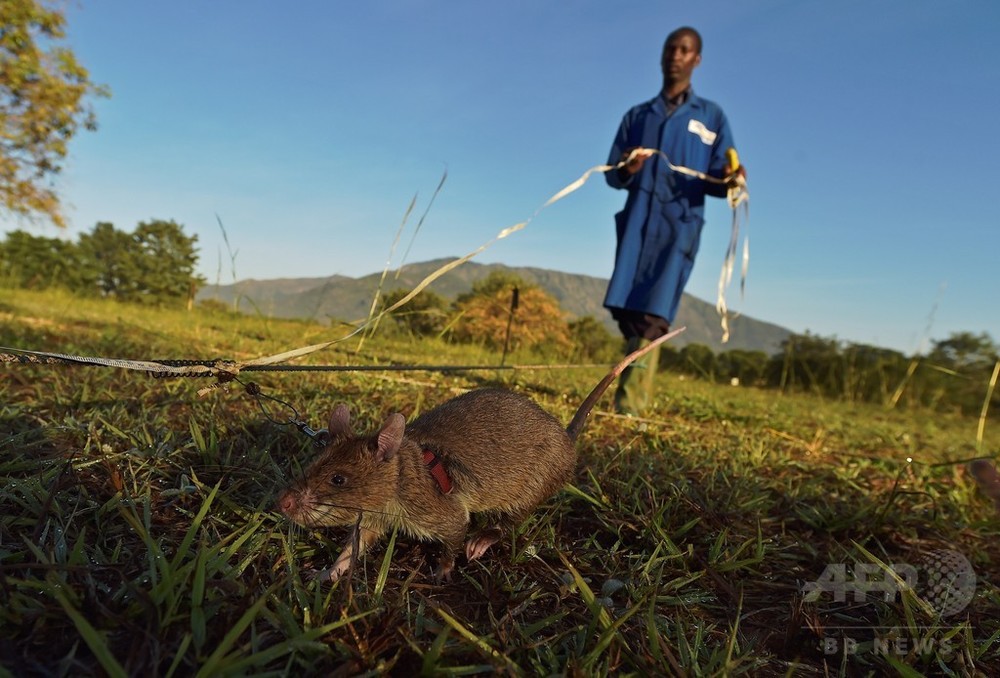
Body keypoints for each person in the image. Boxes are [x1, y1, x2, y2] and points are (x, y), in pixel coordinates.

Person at [603, 26, 744, 416]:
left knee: (654, 315)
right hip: (636, 225)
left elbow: (720, 176)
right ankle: (627, 388)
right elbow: (612, 175)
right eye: (671, 48)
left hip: (679, 226)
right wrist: (627, 167)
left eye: (685, 50)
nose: (676, 55)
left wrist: (732, 179)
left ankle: (630, 407)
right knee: (629, 312)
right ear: (662, 55)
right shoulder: (637, 116)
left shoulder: (712, 117)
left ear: (697, 59)